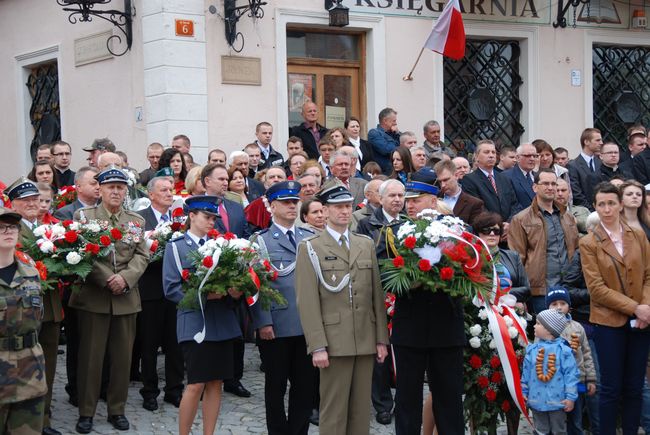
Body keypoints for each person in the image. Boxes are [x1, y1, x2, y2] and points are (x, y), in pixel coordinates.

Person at [295, 183, 389, 435]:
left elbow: (375, 295)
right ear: (325, 211)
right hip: (334, 341)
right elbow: (307, 301)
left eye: (348, 206)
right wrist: (317, 345)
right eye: (338, 207)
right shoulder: (311, 247)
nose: (345, 212)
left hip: (365, 337)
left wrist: (381, 339)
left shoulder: (364, 243)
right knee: (334, 412)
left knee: (360, 413)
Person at [70, 166, 148, 433]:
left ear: (126, 190)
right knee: (91, 358)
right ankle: (86, 412)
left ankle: (117, 409)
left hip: (126, 298)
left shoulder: (135, 221)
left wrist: (125, 278)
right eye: (110, 187)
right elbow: (81, 251)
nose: (115, 191)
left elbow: (142, 255)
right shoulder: (84, 216)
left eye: (120, 187)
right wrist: (107, 278)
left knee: (122, 358)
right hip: (95, 297)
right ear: (100, 190)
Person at [392, 170, 466, 435]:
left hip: (446, 326)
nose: (409, 205)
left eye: (417, 199)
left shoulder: (457, 231)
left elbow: (469, 272)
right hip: (410, 327)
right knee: (407, 401)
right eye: (407, 199)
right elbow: (386, 277)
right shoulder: (394, 233)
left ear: (434, 201)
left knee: (449, 401)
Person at [162, 196, 242, 435]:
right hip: (196, 323)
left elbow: (235, 279)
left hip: (223, 322)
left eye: (214, 218)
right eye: (207, 217)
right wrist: (206, 296)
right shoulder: (176, 246)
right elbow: (171, 289)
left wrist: (234, 292)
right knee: (196, 383)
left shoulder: (222, 245)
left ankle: (209, 433)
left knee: (216, 382)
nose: (211, 222)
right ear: (192, 216)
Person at [579, 181, 650, 434]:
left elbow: (648, 275)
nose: (607, 209)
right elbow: (596, 289)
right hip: (608, 322)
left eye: (611, 203)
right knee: (610, 388)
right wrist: (636, 308)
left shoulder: (638, 235)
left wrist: (646, 307)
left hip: (642, 321)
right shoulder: (589, 243)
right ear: (595, 207)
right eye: (602, 204)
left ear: (621, 205)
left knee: (634, 386)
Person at [250, 181, 317, 435]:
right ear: (273, 206)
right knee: (275, 385)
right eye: (286, 202)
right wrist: (263, 321)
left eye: (294, 202)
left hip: (306, 324)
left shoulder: (309, 237)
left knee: (304, 385)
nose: (292, 206)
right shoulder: (261, 241)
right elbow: (255, 285)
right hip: (276, 326)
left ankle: (298, 431)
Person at [356, 179, 407, 426]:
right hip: (378, 294)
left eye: (401, 195)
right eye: (392, 196)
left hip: (406, 294)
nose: (397, 200)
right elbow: (364, 259)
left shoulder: (410, 224)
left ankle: (404, 402)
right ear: (381, 198)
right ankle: (383, 404)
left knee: (404, 350)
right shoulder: (367, 224)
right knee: (380, 353)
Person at [136, 177, 184, 412]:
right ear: (151, 194)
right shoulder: (140, 219)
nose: (169, 193)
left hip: (174, 289)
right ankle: (150, 391)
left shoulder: (179, 218)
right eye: (164, 190)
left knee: (175, 344)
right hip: (150, 288)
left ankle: (174, 389)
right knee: (149, 344)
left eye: (171, 189)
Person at [0, 207, 48, 435]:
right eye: (0, 228)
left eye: (11, 227)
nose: (7, 232)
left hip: (30, 373)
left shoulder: (31, 274)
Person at [508, 168, 579, 314]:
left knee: (570, 333)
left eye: (554, 184)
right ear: (535, 187)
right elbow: (517, 259)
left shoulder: (568, 217)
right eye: (545, 183)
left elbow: (576, 250)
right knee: (545, 333)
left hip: (568, 288)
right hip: (539, 290)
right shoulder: (521, 219)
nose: (551, 187)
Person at [545, 286, 598, 435]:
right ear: (547, 307)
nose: (559, 307)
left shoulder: (578, 327)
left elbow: (587, 354)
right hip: (553, 384)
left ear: (569, 306)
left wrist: (591, 379)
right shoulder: (543, 329)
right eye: (554, 304)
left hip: (577, 382)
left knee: (576, 420)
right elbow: (538, 357)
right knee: (556, 421)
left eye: (563, 303)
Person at [521, 309, 579, 435]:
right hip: (536, 401)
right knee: (540, 431)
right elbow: (526, 373)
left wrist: (570, 397)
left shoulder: (564, 351)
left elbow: (571, 375)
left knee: (559, 431)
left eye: (538, 324)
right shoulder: (532, 350)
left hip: (558, 402)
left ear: (549, 330)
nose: (534, 326)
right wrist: (524, 390)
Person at [461, 139, 521, 224]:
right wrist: (498, 225)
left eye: (493, 152)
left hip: (508, 230)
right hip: (487, 229)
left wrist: (509, 223)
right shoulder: (469, 179)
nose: (491, 155)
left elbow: (514, 205)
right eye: (486, 152)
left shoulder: (504, 178)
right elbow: (477, 208)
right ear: (477, 156)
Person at [474, 212, 530, 302]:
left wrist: (500, 295)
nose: (492, 234)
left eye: (496, 231)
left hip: (512, 307)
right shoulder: (471, 258)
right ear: (477, 234)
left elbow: (526, 289)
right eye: (486, 230)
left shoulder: (513, 256)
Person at [434, 159, 484, 227]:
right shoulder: (433, 198)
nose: (443, 185)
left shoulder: (474, 204)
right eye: (440, 182)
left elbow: (475, 232)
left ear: (456, 175)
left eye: (446, 180)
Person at [568, 128, 603, 211]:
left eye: (601, 140)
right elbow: (576, 193)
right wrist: (591, 210)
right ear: (586, 142)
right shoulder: (573, 165)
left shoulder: (600, 163)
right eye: (597, 140)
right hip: (585, 212)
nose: (601, 143)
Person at [503, 143, 539, 210]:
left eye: (535, 156)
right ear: (517, 158)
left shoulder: (539, 176)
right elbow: (511, 205)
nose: (532, 159)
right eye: (528, 156)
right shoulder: (506, 176)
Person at [368, 108, 401, 175]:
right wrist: (397, 143)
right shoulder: (374, 133)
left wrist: (397, 134)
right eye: (393, 121)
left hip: (396, 171)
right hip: (384, 173)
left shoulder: (394, 133)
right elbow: (387, 150)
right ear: (385, 121)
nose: (395, 123)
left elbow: (403, 146)